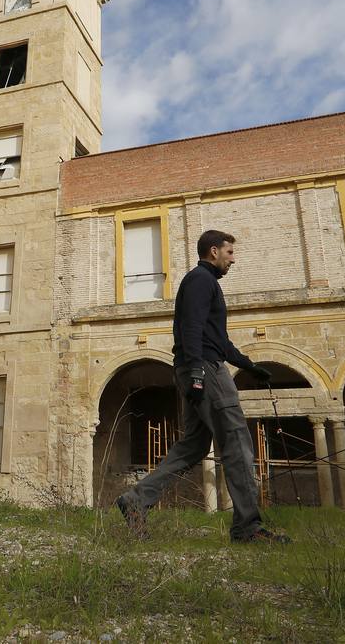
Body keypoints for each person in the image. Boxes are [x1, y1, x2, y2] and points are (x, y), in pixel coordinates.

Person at [116, 230, 290, 543]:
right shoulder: (200, 280)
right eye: (230, 253)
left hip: (199, 367)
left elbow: (219, 340)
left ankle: (136, 501)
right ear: (213, 251)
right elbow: (191, 327)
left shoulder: (205, 283)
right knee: (237, 442)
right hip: (205, 370)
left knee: (193, 446)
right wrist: (197, 371)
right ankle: (248, 529)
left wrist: (249, 365)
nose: (233, 260)